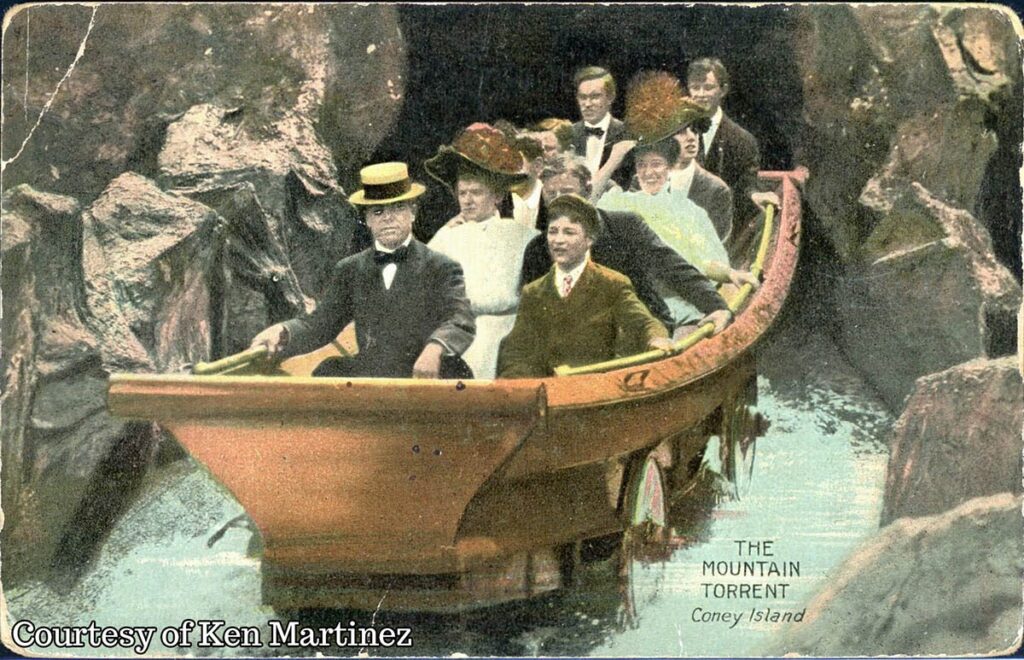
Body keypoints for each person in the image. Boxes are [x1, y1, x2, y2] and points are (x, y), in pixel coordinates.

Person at [248, 162, 475, 378]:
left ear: (412, 212)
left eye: (397, 208)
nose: (388, 218)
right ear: (367, 219)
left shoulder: (442, 267)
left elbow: (459, 318)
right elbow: (318, 325)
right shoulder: (350, 269)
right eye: (378, 212)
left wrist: (434, 349)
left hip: (424, 377)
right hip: (372, 376)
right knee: (326, 377)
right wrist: (282, 331)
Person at [519, 154, 732, 335]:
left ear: (588, 190)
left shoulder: (626, 225)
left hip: (642, 332)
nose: (558, 201)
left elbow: (673, 268)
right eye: (550, 194)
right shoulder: (537, 248)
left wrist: (717, 306)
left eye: (566, 191)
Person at [497, 195, 673, 378]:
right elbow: (516, 349)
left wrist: (657, 338)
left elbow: (644, 323)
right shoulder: (533, 292)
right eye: (553, 231)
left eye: (569, 232)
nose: (558, 240)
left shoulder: (612, 283)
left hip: (596, 391)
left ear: (589, 240)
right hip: (549, 393)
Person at [424, 124, 539, 379]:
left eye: (476, 192)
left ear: (497, 195)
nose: (467, 200)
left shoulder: (522, 235)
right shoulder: (445, 237)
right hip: (453, 340)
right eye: (462, 193)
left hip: (506, 335)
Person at [686, 58, 772, 226]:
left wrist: (755, 195)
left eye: (708, 87)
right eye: (695, 88)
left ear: (723, 90)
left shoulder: (742, 140)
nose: (701, 94)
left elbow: (746, 186)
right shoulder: (675, 133)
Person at [672, 118, 734, 242]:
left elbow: (716, 244)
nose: (691, 137)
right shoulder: (643, 181)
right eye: (680, 131)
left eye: (694, 131)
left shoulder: (717, 190)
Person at [569, 67, 629, 185]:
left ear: (610, 97)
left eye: (595, 96)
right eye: (583, 97)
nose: (587, 104)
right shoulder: (568, 134)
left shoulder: (627, 134)